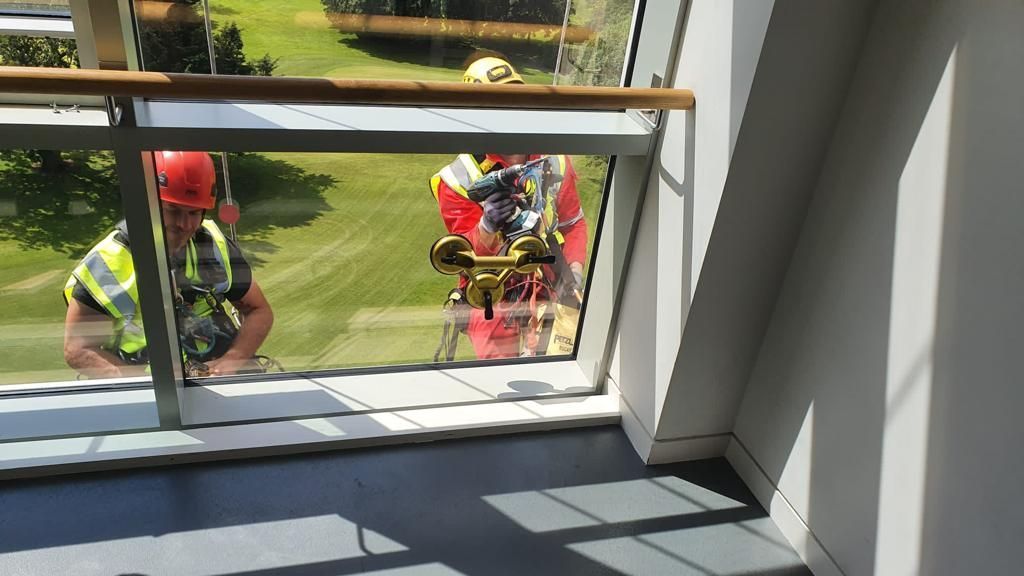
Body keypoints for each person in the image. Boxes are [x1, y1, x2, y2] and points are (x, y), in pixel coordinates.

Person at [430, 57, 588, 360]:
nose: (508, 110)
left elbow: (573, 224)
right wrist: (487, 227)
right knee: (502, 386)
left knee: (561, 376)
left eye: (514, 100)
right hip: (491, 295)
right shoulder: (458, 178)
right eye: (495, 103)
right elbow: (465, 256)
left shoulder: (554, 161)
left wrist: (575, 276)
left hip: (550, 289)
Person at [63, 151, 273, 378]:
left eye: (193, 213)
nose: (184, 224)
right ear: (148, 205)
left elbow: (258, 311)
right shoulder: (108, 262)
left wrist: (230, 361)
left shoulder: (211, 244)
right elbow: (78, 349)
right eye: (173, 211)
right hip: (149, 386)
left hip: (215, 377)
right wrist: (152, 390)